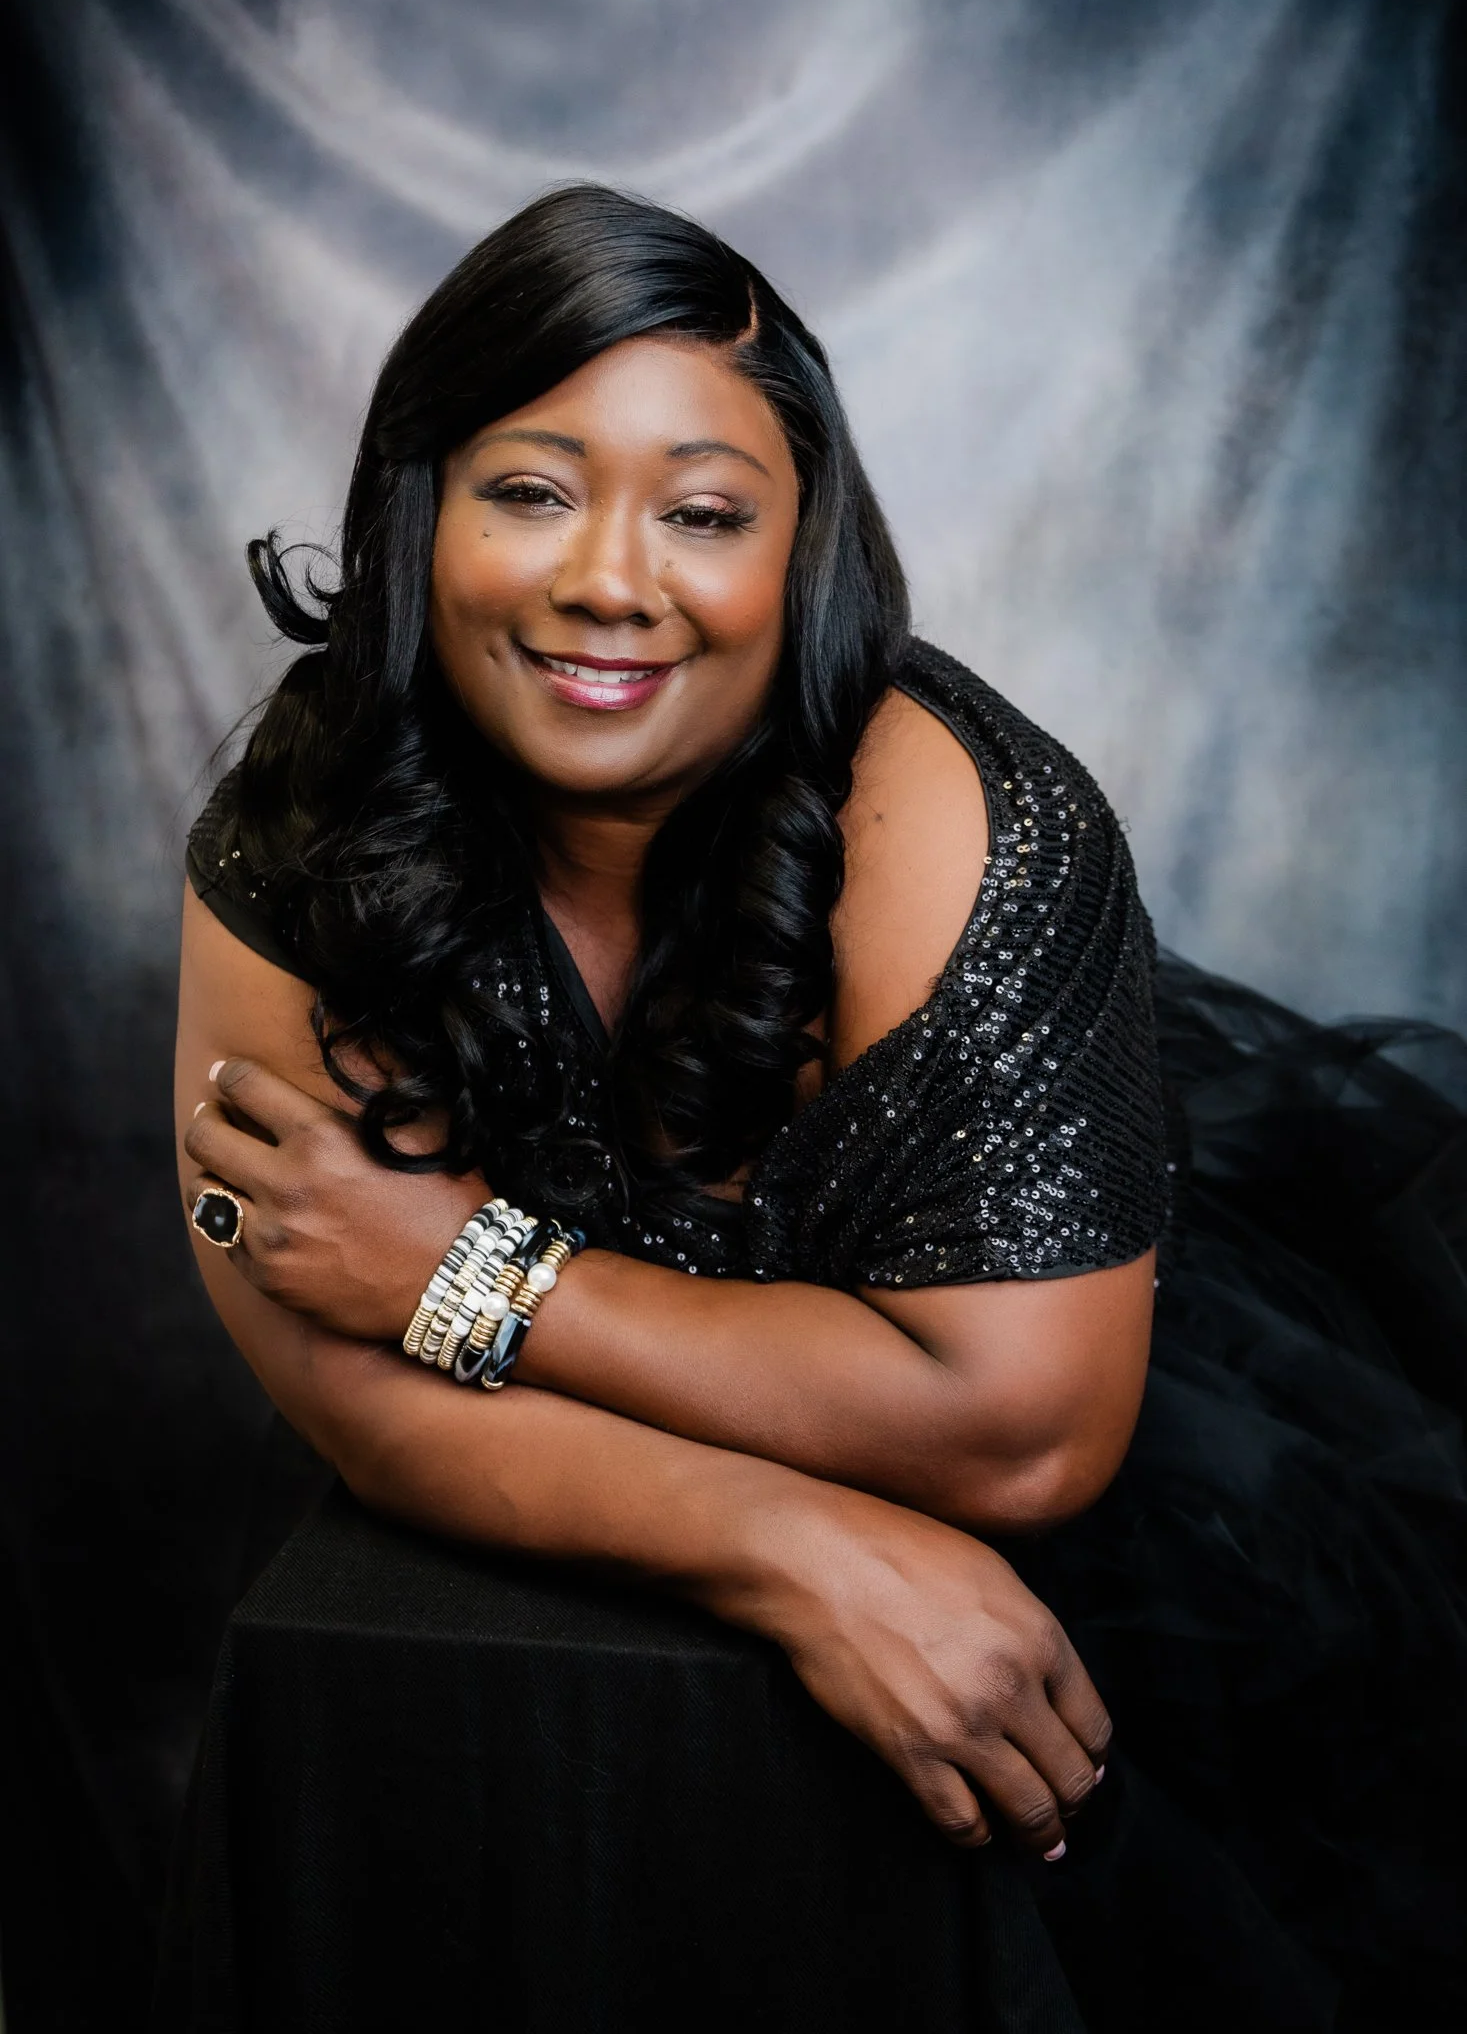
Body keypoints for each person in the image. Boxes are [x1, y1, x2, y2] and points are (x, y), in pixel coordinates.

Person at [174, 185, 1467, 2030]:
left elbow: (1021, 1437)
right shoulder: (307, 819)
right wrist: (797, 1549)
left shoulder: (967, 826)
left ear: (801, 553)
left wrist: (470, 1271)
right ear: (419, 506)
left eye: (702, 514)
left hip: (1122, 1513)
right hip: (662, 1569)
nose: (608, 578)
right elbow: (335, 1363)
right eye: (530, 489)